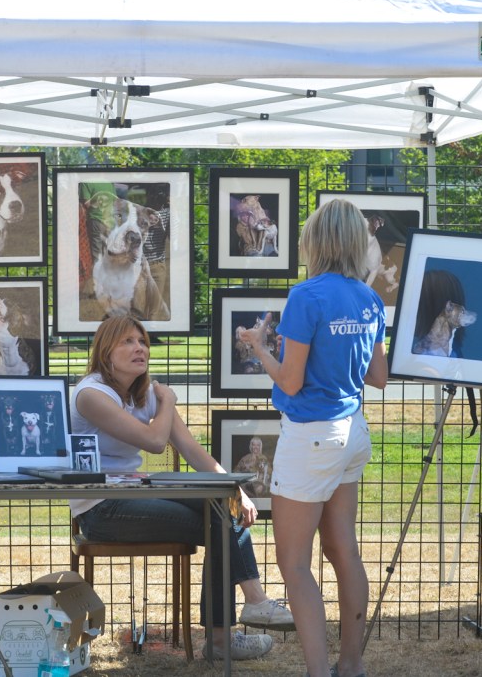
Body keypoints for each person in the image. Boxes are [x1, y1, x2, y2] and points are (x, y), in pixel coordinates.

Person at [70, 315, 292, 660]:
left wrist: (237, 491)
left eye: (142, 341)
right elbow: (155, 443)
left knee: (225, 508)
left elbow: (193, 451)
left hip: (136, 492)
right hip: (102, 508)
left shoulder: (146, 395)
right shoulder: (91, 394)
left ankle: (247, 611)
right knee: (221, 522)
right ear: (105, 350)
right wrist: (169, 401)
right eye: (127, 341)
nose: (139, 348)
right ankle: (236, 624)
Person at [239, 198, 388, 677]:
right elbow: (379, 377)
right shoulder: (368, 297)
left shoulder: (306, 295)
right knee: (344, 550)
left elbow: (289, 382)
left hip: (311, 437)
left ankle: (319, 672)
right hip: (352, 431)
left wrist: (259, 347)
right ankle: (351, 664)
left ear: (315, 242)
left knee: (294, 563)